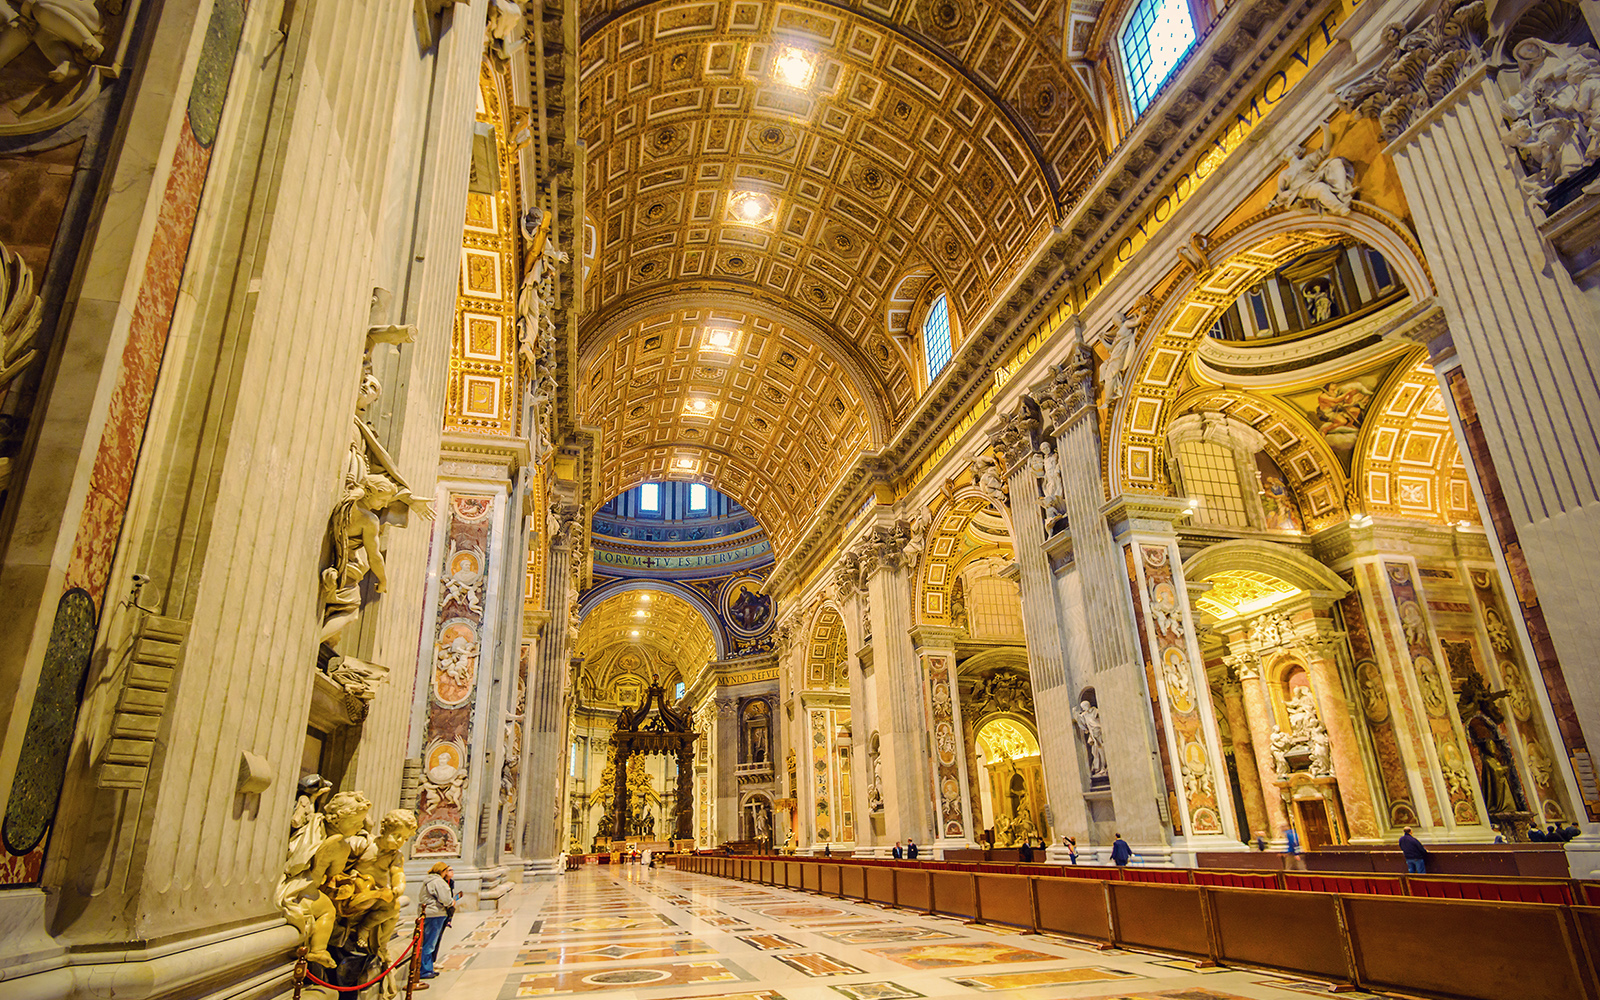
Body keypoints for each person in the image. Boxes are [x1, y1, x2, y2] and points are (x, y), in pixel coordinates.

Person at [419, 862, 455, 979]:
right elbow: (445, 899)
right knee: (430, 943)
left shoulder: (428, 880)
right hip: (435, 913)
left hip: (428, 913)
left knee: (428, 942)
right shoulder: (438, 882)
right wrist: (451, 903)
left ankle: (427, 967)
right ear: (442, 871)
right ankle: (424, 970)